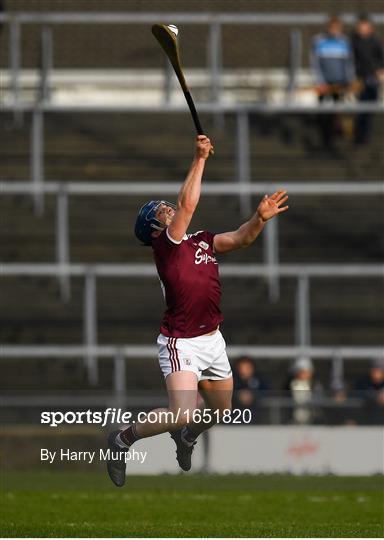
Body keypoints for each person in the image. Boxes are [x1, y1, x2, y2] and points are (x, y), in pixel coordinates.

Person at [106, 135, 289, 487]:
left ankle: (187, 436)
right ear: (154, 229)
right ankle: (122, 439)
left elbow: (240, 238)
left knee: (221, 410)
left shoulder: (201, 240)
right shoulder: (167, 247)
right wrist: (200, 157)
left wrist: (259, 218)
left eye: (166, 207)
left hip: (212, 338)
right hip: (181, 342)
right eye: (161, 212)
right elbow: (187, 204)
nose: (169, 210)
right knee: (182, 411)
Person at [310, 16, 355, 151]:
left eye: (338, 28)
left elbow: (348, 63)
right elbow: (315, 63)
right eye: (333, 28)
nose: (335, 31)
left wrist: (350, 79)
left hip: (340, 83)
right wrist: (320, 81)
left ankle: (334, 139)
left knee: (337, 110)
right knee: (324, 111)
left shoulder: (344, 41)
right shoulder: (318, 40)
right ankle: (325, 138)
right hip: (325, 83)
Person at [351, 14, 384, 144]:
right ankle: (359, 135)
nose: (362, 29)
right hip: (359, 78)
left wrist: (380, 71)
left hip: (372, 78)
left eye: (365, 26)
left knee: (371, 105)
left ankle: (367, 135)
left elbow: (381, 59)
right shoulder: (353, 42)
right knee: (360, 106)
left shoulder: (375, 42)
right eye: (360, 26)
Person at [232, 356, 269, 423]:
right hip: (234, 418)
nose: (244, 371)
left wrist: (253, 396)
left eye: (247, 368)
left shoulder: (259, 380)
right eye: (241, 368)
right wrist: (237, 396)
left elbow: (267, 393)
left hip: (257, 417)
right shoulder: (232, 381)